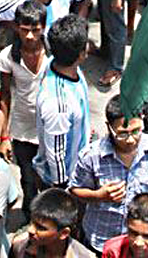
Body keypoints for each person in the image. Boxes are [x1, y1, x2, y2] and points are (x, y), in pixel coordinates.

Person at [72, 95, 148, 252]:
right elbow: (75, 190)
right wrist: (99, 196)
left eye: (136, 131)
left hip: (140, 243)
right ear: (109, 127)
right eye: (122, 133)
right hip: (101, 238)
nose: (130, 140)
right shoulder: (91, 156)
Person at [0, 0, 49, 218]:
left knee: (48, 179)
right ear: (16, 27)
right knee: (27, 180)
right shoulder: (8, 56)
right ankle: (30, 220)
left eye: (35, 30)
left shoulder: (54, 53)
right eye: (24, 30)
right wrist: (4, 136)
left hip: (49, 127)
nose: (29, 36)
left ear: (43, 28)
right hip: (22, 129)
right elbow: (5, 95)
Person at [34, 14, 92, 190]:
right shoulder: (59, 105)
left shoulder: (59, 64)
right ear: (81, 54)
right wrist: (63, 189)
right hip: (67, 179)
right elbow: (55, 153)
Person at [9, 188, 94, 257]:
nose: (30, 230)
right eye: (32, 222)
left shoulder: (83, 255)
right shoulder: (20, 246)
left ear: (64, 233)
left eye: (41, 228)